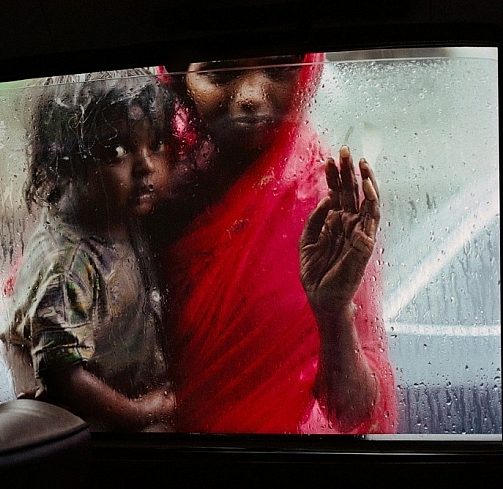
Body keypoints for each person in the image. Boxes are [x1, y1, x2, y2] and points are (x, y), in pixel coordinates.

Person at [151, 54, 397, 433]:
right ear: (178, 80)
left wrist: (333, 314)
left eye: (278, 70)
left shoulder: (329, 202)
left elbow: (354, 414)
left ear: (305, 74)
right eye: (219, 72)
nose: (251, 95)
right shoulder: (144, 180)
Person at [0, 70, 176, 432]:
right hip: (99, 433)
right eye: (116, 151)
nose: (147, 166)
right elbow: (63, 377)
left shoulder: (118, 212)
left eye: (156, 144)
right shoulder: (68, 263)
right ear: (63, 163)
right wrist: (141, 413)